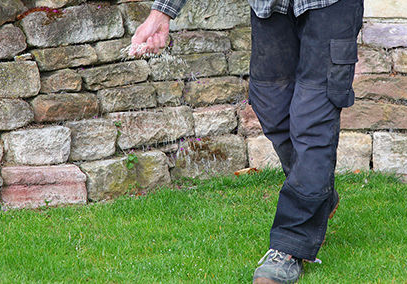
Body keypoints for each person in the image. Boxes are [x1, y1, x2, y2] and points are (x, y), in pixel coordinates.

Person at [129, 0, 363, 282]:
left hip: (330, 6)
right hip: (270, 6)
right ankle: (319, 194)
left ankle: (289, 247)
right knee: (270, 104)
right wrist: (161, 13)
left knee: (313, 119)